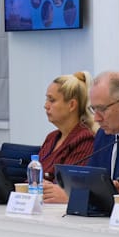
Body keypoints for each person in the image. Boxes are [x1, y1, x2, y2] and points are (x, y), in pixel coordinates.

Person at [38, 72, 97, 204]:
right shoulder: (52, 137)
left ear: (72, 105)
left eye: (52, 100)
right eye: (47, 100)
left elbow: (67, 185)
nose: (46, 106)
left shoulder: (85, 139)